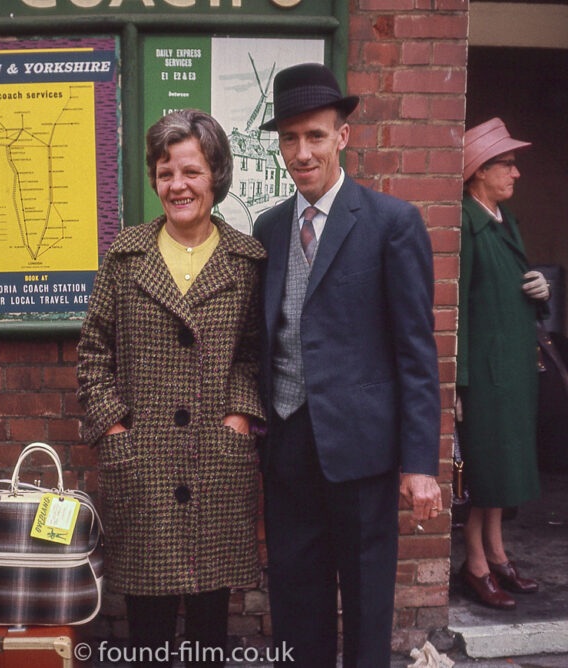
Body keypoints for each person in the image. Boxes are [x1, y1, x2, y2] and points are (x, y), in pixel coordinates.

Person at [252, 63, 442, 667]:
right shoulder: (269, 226)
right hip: (287, 443)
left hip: (361, 450)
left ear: (343, 137)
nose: (301, 152)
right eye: (289, 138)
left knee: (365, 601)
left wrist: (419, 463)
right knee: (294, 597)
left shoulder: (391, 222)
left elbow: (416, 350)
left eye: (314, 136)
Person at [77, 109, 265, 668]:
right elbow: (93, 351)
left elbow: (254, 354)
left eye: (191, 171)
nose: (177, 185)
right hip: (144, 462)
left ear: (216, 176)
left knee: (211, 623)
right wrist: (114, 429)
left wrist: (239, 415)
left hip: (216, 460)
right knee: (149, 631)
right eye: (165, 173)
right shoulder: (126, 254)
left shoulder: (248, 261)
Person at [456, 117, 548, 609]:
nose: (516, 173)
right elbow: (458, 311)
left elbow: (513, 284)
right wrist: (457, 383)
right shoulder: (466, 224)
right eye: (506, 164)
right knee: (486, 472)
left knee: (504, 468)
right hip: (486, 376)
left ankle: (496, 552)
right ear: (478, 171)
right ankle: (474, 564)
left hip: (513, 369)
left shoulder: (503, 219)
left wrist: (542, 290)